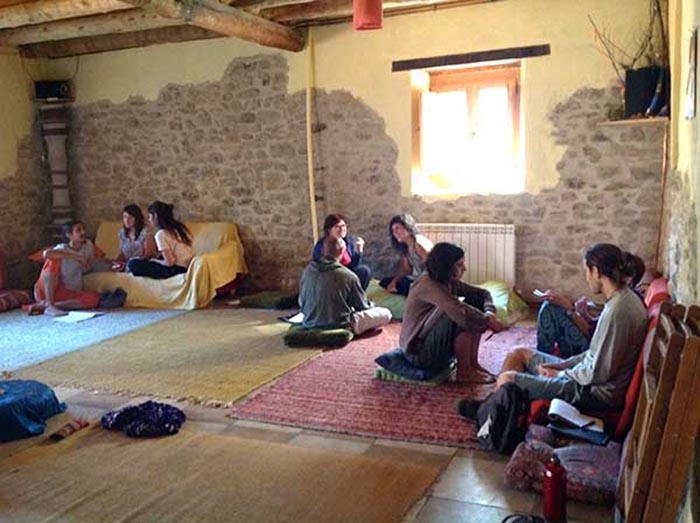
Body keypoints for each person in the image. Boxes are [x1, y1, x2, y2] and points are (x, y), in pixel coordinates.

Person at [496, 243, 648, 410]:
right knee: (517, 354)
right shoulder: (621, 299)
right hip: (584, 378)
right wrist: (563, 365)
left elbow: (599, 372)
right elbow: (593, 354)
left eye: (587, 271)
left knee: (506, 379)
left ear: (596, 271)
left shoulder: (618, 311)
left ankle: (493, 414)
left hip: (592, 393)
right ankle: (493, 409)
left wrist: (559, 374)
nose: (587, 278)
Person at [399, 242, 505, 383]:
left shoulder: (448, 280)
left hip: (431, 341)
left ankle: (473, 364)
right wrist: (489, 322)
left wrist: (490, 313)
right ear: (446, 266)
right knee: (459, 315)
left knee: (474, 302)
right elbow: (459, 311)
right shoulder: (427, 284)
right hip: (418, 352)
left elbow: (482, 293)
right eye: (460, 265)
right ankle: (464, 372)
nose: (465, 268)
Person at [535, 253, 646, 358]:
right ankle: (543, 355)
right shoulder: (627, 297)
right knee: (553, 305)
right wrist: (585, 315)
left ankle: (542, 356)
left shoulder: (623, 304)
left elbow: (591, 334)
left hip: (589, 349)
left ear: (628, 279)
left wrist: (570, 309)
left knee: (550, 308)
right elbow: (600, 325)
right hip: (592, 341)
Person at [299, 237, 392, 335]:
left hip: (310, 322)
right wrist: (371, 304)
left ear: (322, 250)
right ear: (342, 251)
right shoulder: (348, 276)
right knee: (386, 314)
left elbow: (301, 301)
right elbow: (362, 307)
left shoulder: (308, 271)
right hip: (340, 323)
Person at [31, 221, 112, 316]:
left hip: (67, 291)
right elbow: (46, 254)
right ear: (69, 235)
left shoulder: (88, 246)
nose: (83, 232)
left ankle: (48, 305)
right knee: (53, 261)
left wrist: (112, 264)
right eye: (78, 230)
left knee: (94, 299)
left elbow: (92, 262)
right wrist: (76, 257)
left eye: (83, 229)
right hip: (48, 289)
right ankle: (49, 304)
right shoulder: (62, 248)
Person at [127, 201, 195, 279]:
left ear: (155, 216)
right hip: (188, 267)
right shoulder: (181, 229)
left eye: (149, 217)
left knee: (132, 263)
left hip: (176, 270)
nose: (149, 220)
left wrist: (155, 261)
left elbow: (170, 262)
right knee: (155, 258)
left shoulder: (161, 234)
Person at [312, 213, 371, 290]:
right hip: (330, 274)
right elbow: (319, 265)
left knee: (364, 270)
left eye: (343, 226)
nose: (342, 229)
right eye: (337, 226)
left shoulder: (349, 241)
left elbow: (354, 265)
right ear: (329, 229)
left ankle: (357, 295)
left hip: (347, 272)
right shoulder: (322, 244)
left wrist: (358, 251)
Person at [379, 214, 434, 296]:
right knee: (385, 282)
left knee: (404, 283)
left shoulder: (418, 242)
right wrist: (394, 282)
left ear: (407, 227)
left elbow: (434, 268)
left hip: (430, 282)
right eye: (393, 230)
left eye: (397, 228)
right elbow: (406, 270)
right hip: (418, 280)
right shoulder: (405, 247)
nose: (395, 233)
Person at [112, 204, 156, 271]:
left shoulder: (146, 233)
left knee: (133, 265)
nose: (127, 220)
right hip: (126, 265)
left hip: (140, 265)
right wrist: (117, 263)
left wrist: (128, 264)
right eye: (125, 217)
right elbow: (122, 254)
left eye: (131, 217)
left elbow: (148, 255)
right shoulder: (122, 233)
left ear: (137, 218)